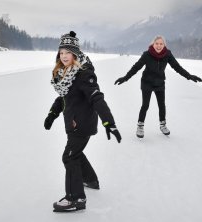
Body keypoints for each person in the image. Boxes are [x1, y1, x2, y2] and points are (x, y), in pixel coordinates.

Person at [44, 31, 121, 212]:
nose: (64, 56)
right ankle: (90, 180)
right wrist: (52, 114)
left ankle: (76, 198)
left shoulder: (84, 74)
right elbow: (64, 98)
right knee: (76, 153)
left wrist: (109, 122)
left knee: (69, 157)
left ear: (75, 54)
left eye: (68, 52)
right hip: (72, 123)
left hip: (82, 124)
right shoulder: (65, 74)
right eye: (61, 52)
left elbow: (97, 98)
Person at [115, 35, 202, 138]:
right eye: (157, 43)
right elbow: (136, 67)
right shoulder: (147, 55)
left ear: (164, 45)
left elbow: (177, 67)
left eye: (161, 44)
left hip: (160, 83)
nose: (159, 46)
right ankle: (140, 126)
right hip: (147, 82)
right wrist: (125, 78)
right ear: (153, 44)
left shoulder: (168, 54)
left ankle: (163, 125)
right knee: (145, 105)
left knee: (162, 105)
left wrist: (189, 76)